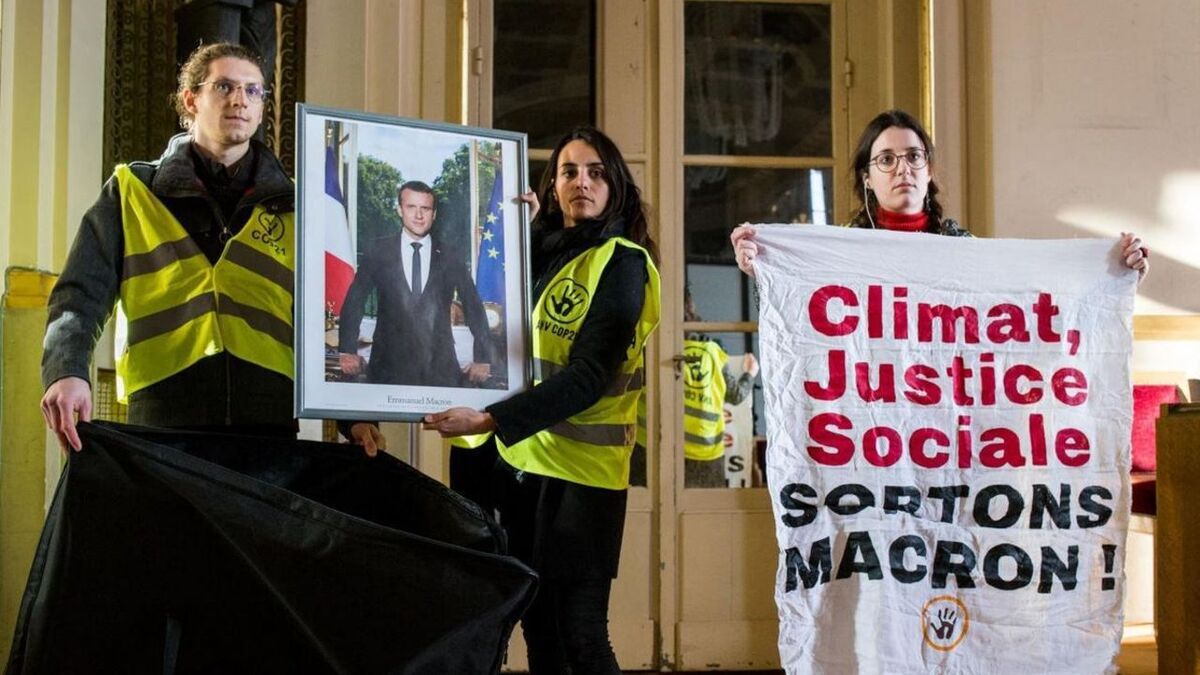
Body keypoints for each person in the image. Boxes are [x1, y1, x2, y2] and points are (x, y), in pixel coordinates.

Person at [39, 42, 385, 455]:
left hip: (268, 420)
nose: (240, 100)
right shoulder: (132, 191)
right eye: (224, 87)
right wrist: (67, 371)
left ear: (261, 107)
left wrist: (353, 415)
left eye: (252, 91)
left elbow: (325, 317)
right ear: (191, 99)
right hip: (164, 413)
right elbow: (79, 296)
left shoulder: (299, 203)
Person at [424, 126, 661, 674]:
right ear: (552, 186)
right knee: (539, 628)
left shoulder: (622, 262)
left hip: (583, 476)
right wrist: (523, 235)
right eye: (569, 172)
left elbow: (589, 376)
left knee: (581, 632)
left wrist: (490, 418)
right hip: (522, 464)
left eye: (596, 172)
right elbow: (498, 334)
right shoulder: (540, 252)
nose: (582, 182)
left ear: (615, 186)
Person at [731, 109, 1150, 279]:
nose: (903, 169)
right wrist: (761, 270)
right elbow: (799, 317)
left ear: (929, 169)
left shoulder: (961, 247)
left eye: (914, 157)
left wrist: (1111, 269)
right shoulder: (836, 250)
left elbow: (1029, 291)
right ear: (867, 177)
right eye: (886, 159)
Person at [337, 180, 493, 387]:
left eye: (425, 208)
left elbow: (473, 305)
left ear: (434, 214)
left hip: (440, 370)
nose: (418, 215)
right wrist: (347, 350)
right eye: (411, 207)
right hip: (386, 368)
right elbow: (355, 301)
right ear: (400, 210)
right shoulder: (378, 250)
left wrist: (483, 357)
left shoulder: (451, 255)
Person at [681, 287, 759, 487]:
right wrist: (750, 373)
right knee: (706, 505)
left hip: (659, 446)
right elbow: (736, 395)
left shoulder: (655, 351)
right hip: (706, 452)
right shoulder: (712, 353)